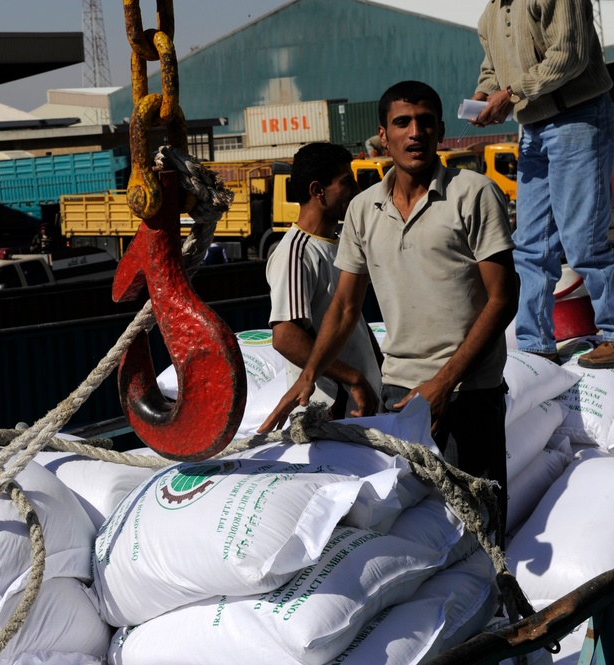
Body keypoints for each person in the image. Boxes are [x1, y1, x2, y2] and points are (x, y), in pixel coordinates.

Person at [258, 81, 518, 531]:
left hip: (467, 394)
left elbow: (503, 298)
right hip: (398, 397)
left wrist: (443, 383)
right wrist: (309, 374)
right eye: (402, 123)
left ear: (439, 132)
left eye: (425, 122)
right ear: (384, 135)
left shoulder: (475, 193)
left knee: (478, 533)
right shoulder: (363, 209)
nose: (414, 132)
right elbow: (343, 306)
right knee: (411, 531)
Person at [471, 0, 614, 368]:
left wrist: (512, 93)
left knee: (584, 241)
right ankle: (536, 343)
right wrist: (484, 94)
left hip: (577, 117)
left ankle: (613, 333)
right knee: (530, 245)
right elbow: (492, 69)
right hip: (533, 126)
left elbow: (569, 55)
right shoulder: (490, 14)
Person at [264, 141, 382, 420]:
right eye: (346, 182)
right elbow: (286, 337)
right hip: (330, 412)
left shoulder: (340, 245)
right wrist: (353, 377)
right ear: (318, 191)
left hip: (360, 407)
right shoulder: (296, 253)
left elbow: (354, 325)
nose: (356, 191)